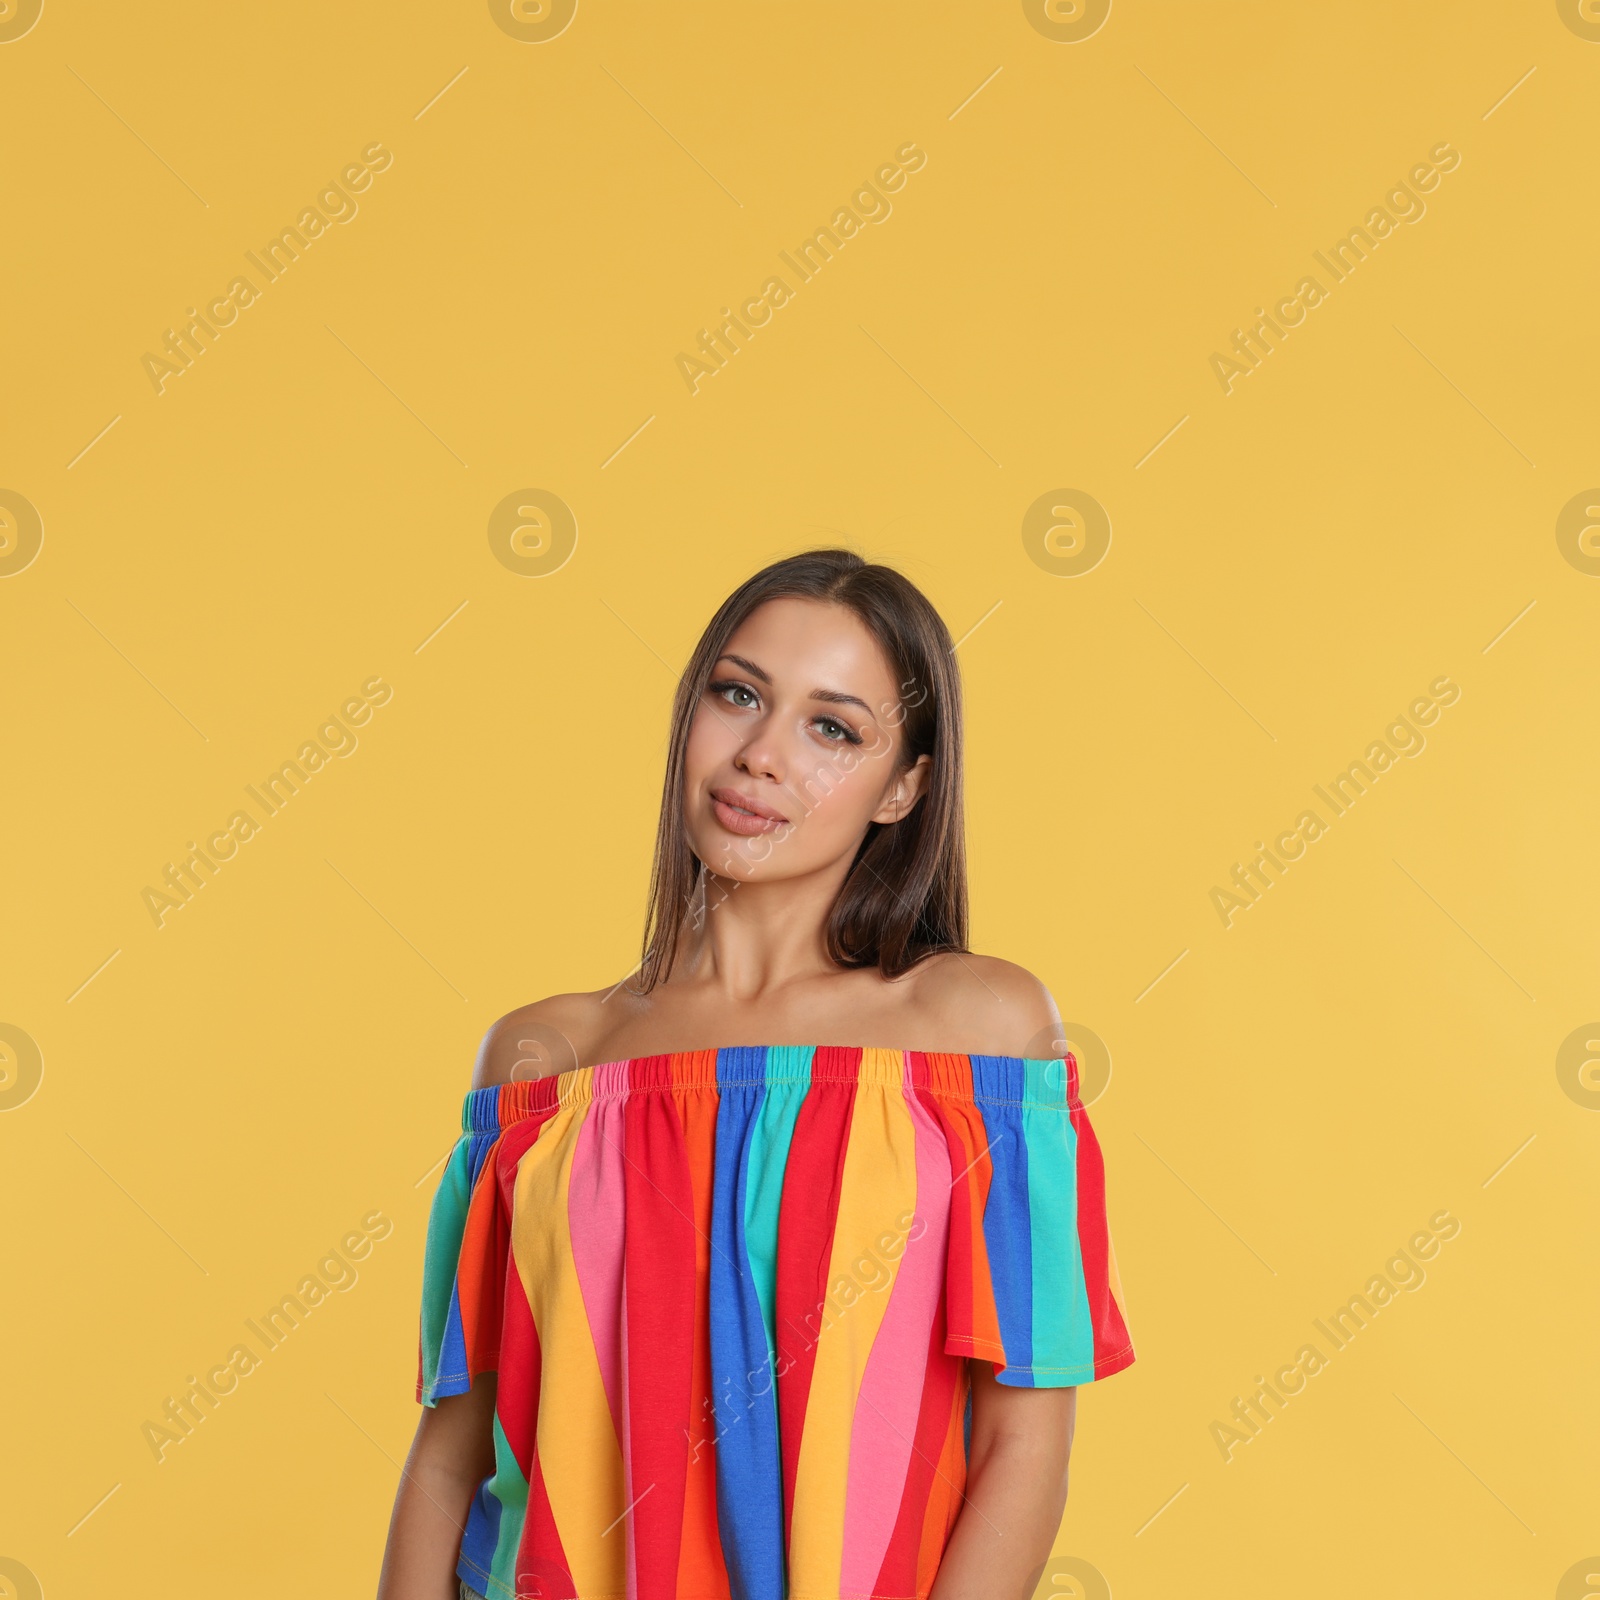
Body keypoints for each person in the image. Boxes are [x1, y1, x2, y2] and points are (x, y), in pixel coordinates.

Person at [375, 548, 1135, 1600]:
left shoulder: (977, 1033)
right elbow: (452, 1454)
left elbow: (1025, 1444)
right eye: (738, 695)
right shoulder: (543, 1058)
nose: (761, 756)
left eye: (833, 728)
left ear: (903, 786)